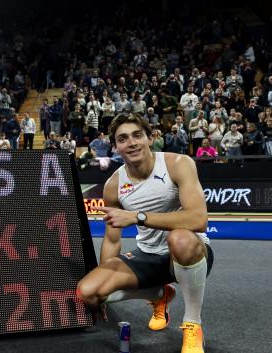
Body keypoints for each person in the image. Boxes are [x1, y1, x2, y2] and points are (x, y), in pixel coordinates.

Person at [77, 113, 213, 353]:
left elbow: (198, 219)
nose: (131, 143)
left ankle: (193, 324)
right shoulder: (113, 185)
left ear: (150, 138)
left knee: (179, 238)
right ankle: (161, 294)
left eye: (137, 135)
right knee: (88, 293)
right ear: (115, 146)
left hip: (188, 250)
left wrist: (138, 216)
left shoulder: (178, 164)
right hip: (147, 256)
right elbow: (111, 239)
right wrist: (106, 284)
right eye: (123, 138)